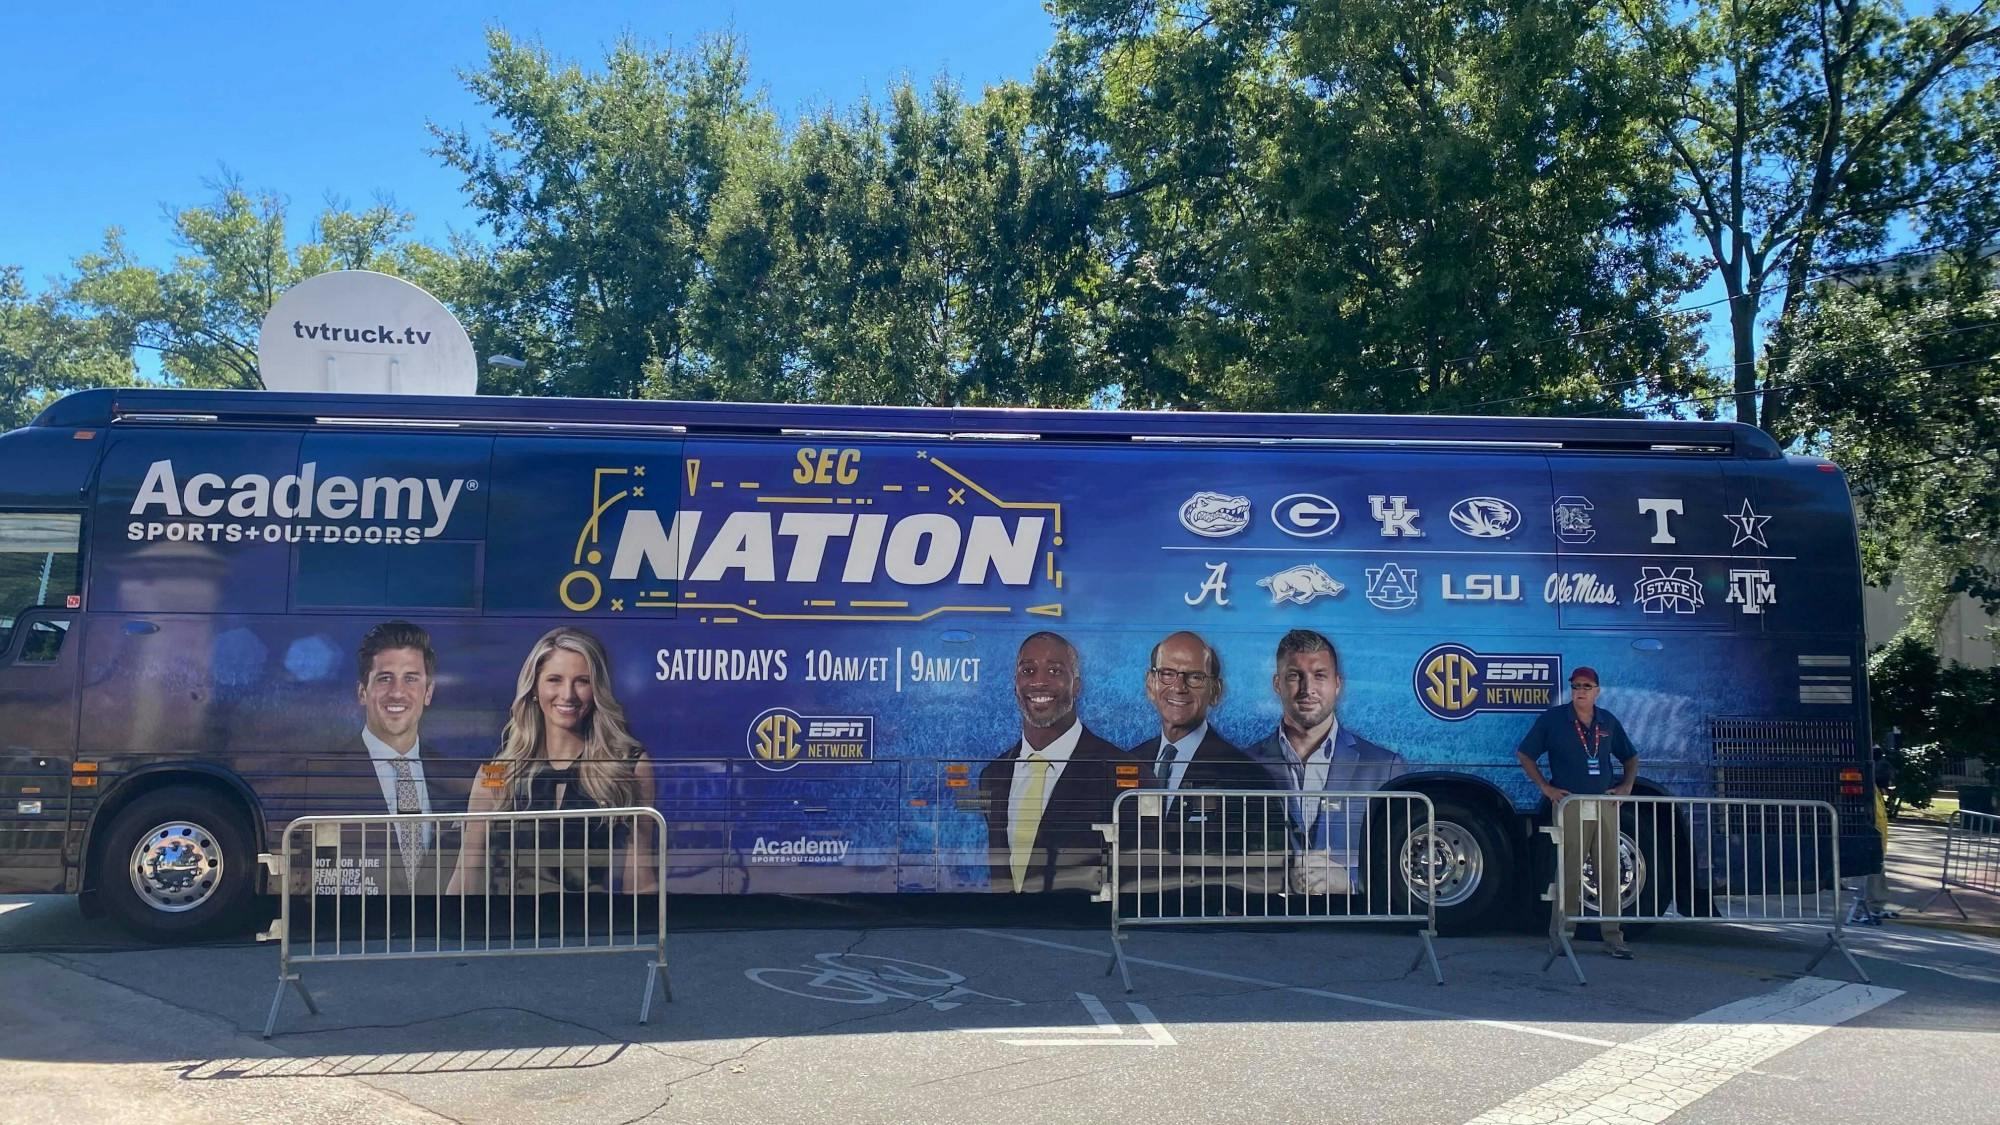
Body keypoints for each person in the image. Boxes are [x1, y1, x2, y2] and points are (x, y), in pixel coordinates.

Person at [448, 627, 658, 896]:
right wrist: (447, 928)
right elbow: (468, 867)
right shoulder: (498, 771)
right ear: (534, 687)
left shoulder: (628, 767)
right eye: (555, 680)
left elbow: (640, 875)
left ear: (597, 690)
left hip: (591, 926)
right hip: (513, 927)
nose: (568, 694)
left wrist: (657, 929)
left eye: (582, 681)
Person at [1247, 629, 1407, 895]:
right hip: (1268, 927)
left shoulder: (1383, 767)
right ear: (1277, 684)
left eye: (1319, 676)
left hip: (1348, 930)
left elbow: (1395, 858)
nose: (1307, 689)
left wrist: (1352, 884)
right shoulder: (1245, 765)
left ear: (1337, 684)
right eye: (1295, 676)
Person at [977, 631, 1128, 893]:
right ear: (1015, 684)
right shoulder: (993, 775)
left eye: (1055, 671)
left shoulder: (1118, 773)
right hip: (1010, 929)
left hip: (1084, 930)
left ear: (1077, 685)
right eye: (1028, 671)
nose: (1039, 682)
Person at [1125, 632, 1269, 888]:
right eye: (1167, 674)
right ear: (1150, 684)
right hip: (1131, 914)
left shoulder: (1246, 775)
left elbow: (1257, 868)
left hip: (1202, 917)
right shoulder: (1129, 762)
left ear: (1216, 691)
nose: (1179, 687)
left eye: (1195, 677)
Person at [1516, 666, 1639, 959]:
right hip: (1571, 805)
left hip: (1605, 805)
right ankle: (1561, 936)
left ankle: (1613, 937)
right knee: (1569, 870)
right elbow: (1525, 754)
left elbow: (1631, 756)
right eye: (1576, 686)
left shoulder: (1607, 720)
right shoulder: (1554, 720)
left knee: (1609, 871)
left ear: (1597, 691)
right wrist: (1546, 787)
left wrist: (1626, 786)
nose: (1581, 691)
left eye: (1586, 686)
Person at [353, 621, 446, 891]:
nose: (397, 692)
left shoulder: (455, 778)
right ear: (362, 692)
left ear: (428, 692)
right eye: (385, 678)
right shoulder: (323, 775)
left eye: (411, 678)